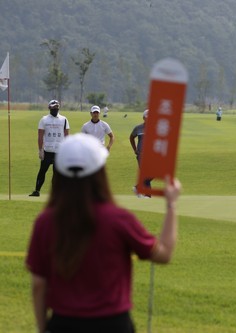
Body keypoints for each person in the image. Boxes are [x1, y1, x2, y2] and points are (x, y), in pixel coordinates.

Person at [26, 133, 181, 332]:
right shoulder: (118, 219)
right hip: (113, 324)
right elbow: (164, 253)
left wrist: (42, 327)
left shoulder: (45, 222)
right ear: (100, 172)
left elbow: (39, 284)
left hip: (64, 323)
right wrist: (171, 205)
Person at [29, 100, 70, 197]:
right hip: (47, 151)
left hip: (59, 151)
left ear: (58, 108)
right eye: (53, 108)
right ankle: (37, 191)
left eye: (56, 108)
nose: (55, 109)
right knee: (42, 171)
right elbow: (40, 136)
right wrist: (40, 150)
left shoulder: (64, 119)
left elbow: (67, 135)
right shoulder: (44, 119)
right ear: (49, 108)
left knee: (56, 173)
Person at [130, 110, 151, 196]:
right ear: (143, 118)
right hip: (141, 155)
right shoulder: (138, 128)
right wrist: (135, 149)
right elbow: (131, 137)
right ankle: (148, 195)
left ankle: (138, 187)